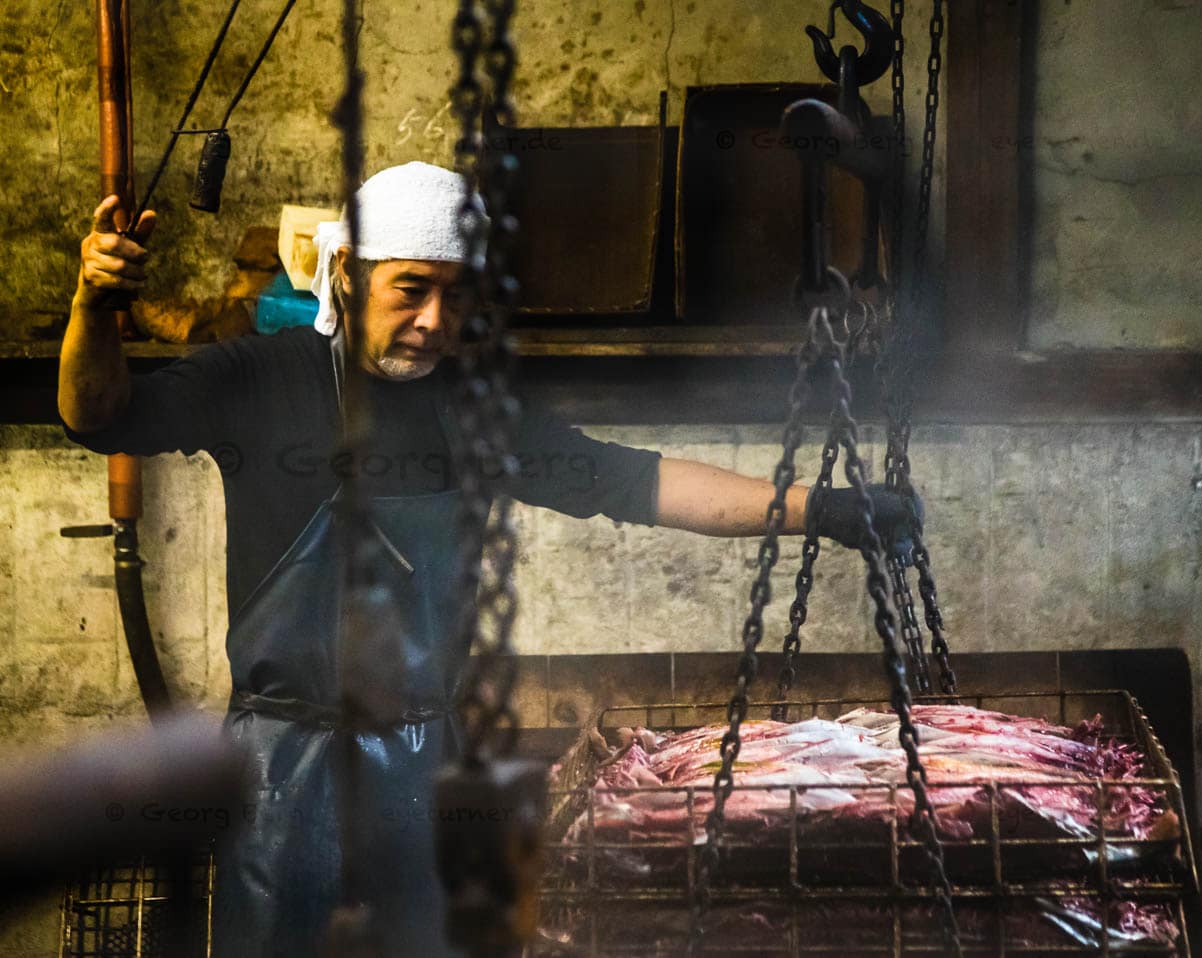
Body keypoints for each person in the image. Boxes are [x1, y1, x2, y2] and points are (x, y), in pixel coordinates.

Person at [59, 161, 921, 957]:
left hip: (427, 761)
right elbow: (98, 416)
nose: (435, 322)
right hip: (283, 769)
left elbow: (637, 483)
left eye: (457, 296)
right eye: (410, 290)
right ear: (350, 272)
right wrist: (94, 309)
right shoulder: (254, 379)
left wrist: (823, 507)